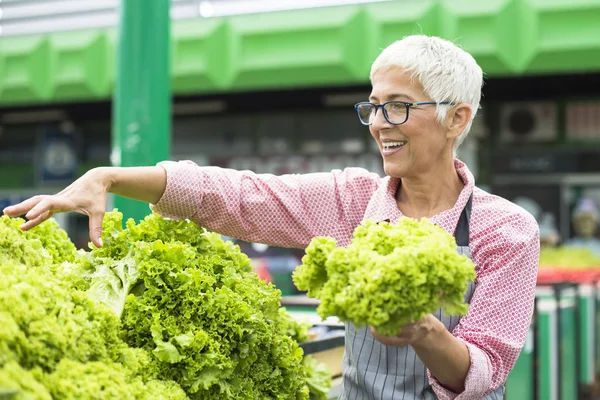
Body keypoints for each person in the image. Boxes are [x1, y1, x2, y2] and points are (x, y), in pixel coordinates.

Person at [3, 35, 540, 399]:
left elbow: (485, 369)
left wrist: (424, 330)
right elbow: (237, 195)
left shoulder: (506, 231)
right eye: (372, 106)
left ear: (456, 118)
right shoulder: (352, 200)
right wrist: (111, 178)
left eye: (397, 106)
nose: (378, 123)